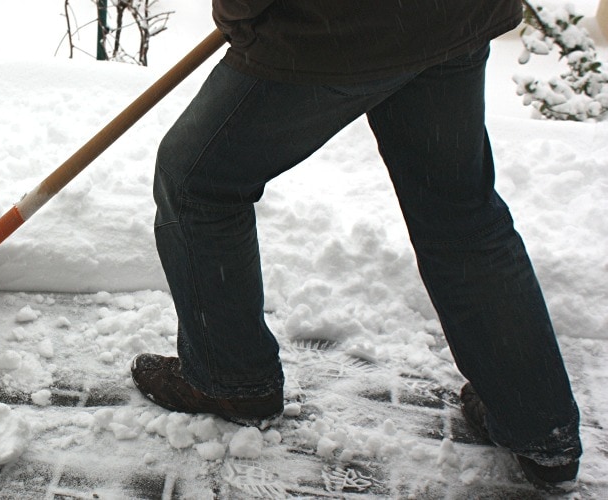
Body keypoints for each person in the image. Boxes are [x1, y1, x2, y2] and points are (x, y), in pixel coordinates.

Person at [130, 0, 583, 492]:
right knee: (460, 217)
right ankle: (539, 425)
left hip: (340, 29)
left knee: (197, 181)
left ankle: (231, 380)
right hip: (452, 15)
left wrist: (240, 13)